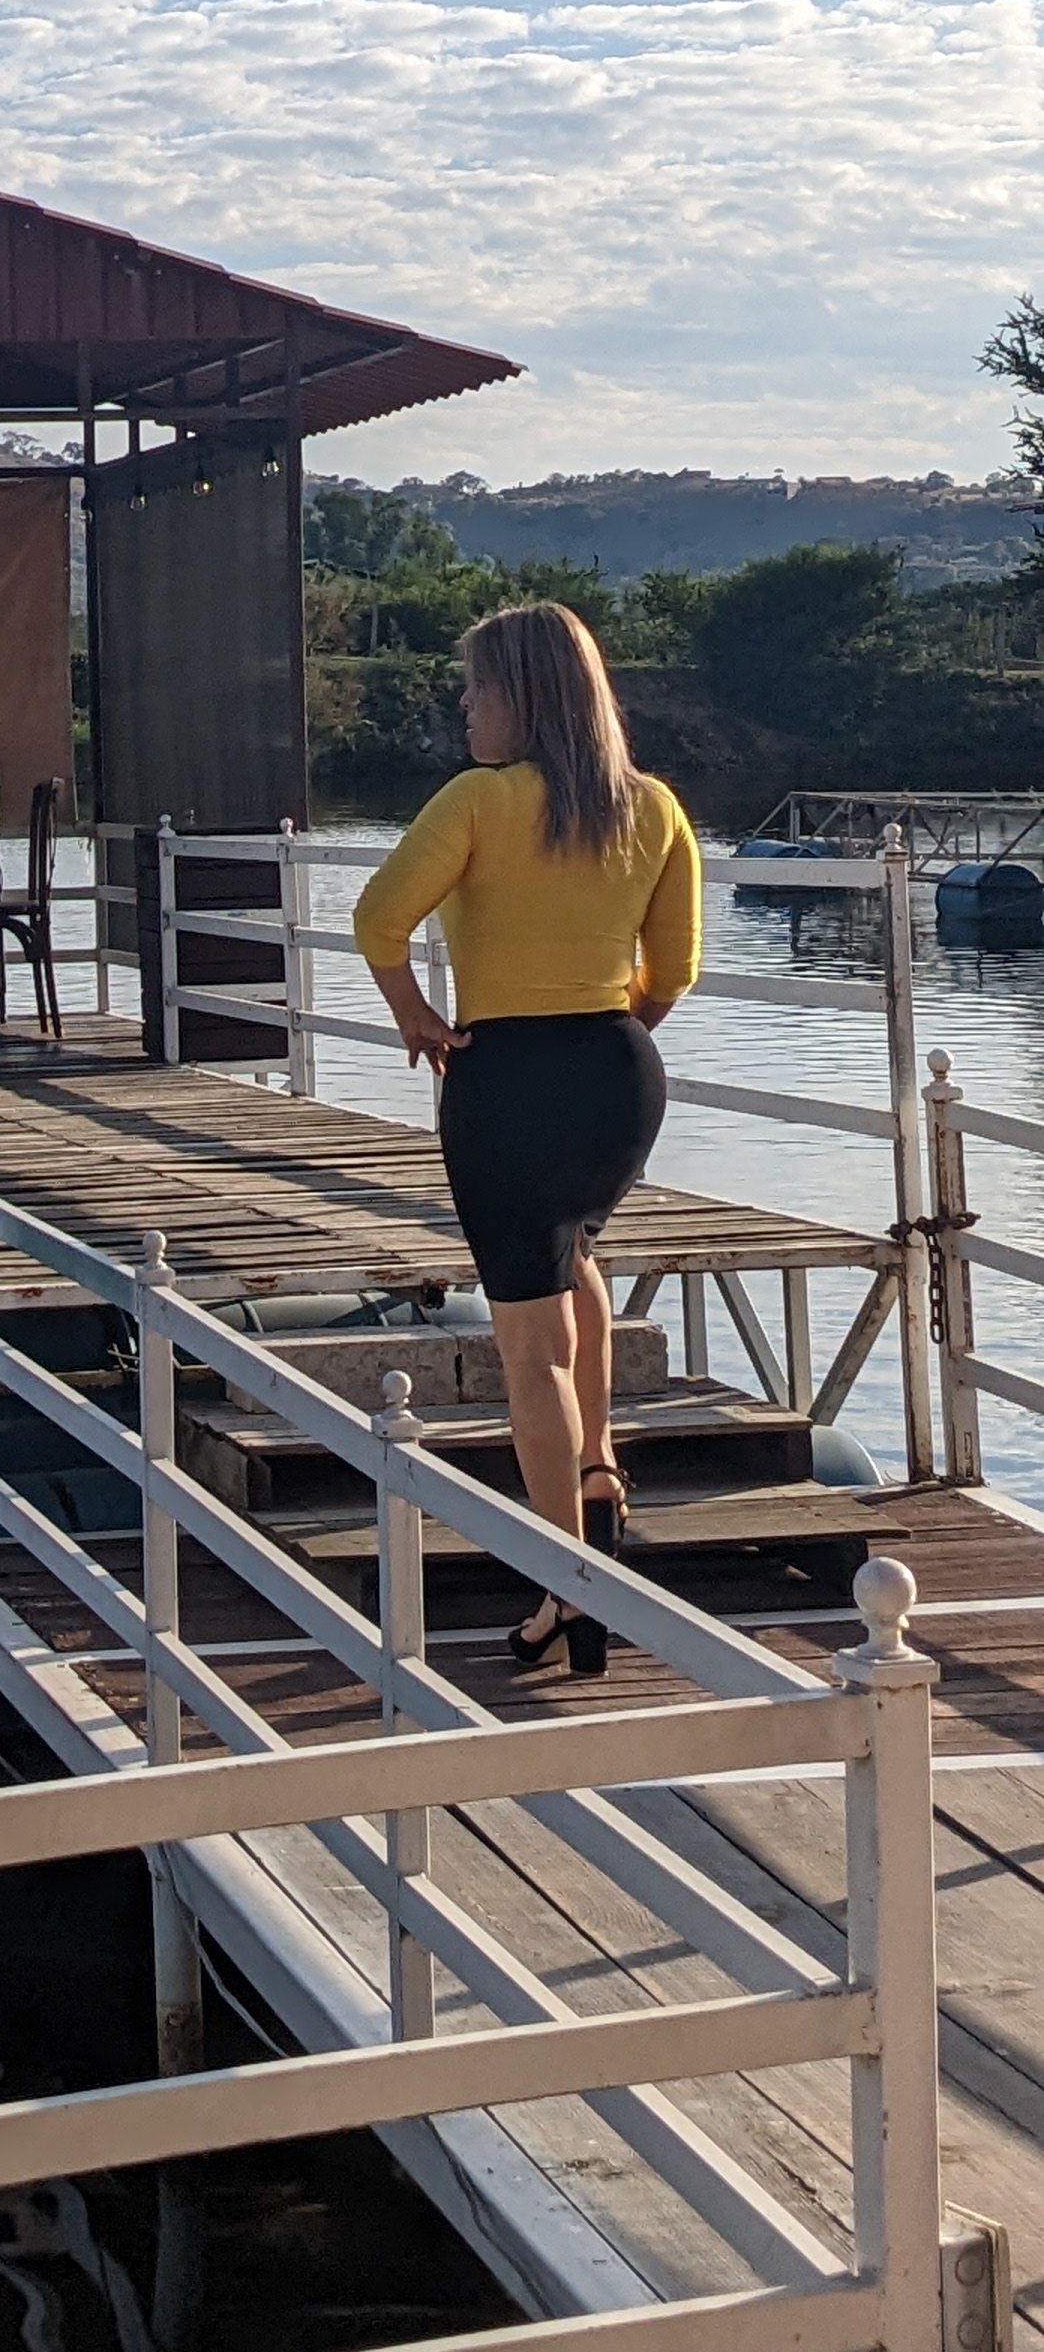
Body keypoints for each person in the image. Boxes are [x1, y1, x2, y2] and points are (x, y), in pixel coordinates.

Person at [351, 602, 700, 1679]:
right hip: (616, 1073)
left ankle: (566, 1586)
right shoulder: (652, 808)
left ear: (524, 698)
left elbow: (378, 919)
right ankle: (597, 1472)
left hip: (504, 1076)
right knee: (574, 1253)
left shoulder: (480, 802)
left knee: (526, 1342)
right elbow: (674, 971)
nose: (465, 708)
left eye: (477, 690)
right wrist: (608, 1030)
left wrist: (414, 1014)